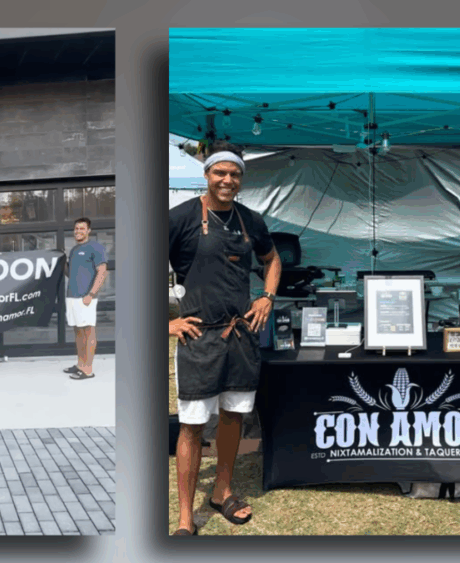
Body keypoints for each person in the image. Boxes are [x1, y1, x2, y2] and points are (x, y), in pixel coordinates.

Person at [168, 140, 281, 535]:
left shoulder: (251, 220)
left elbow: (272, 260)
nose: (227, 180)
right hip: (198, 338)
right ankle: (185, 516)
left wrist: (267, 295)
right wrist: (166, 323)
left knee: (233, 416)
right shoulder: (179, 218)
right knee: (192, 425)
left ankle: (223, 490)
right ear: (207, 174)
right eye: (220, 172)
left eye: (234, 174)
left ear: (241, 179)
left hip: (241, 335)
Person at [63, 217, 108, 380]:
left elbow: (102, 271)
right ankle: (80, 364)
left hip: (86, 297)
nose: (78, 231)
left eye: (82, 229)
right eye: (76, 229)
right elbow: (71, 273)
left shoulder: (95, 248)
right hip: (72, 297)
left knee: (88, 332)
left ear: (88, 230)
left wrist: (91, 294)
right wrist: (63, 263)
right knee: (78, 331)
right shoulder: (74, 250)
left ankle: (88, 370)